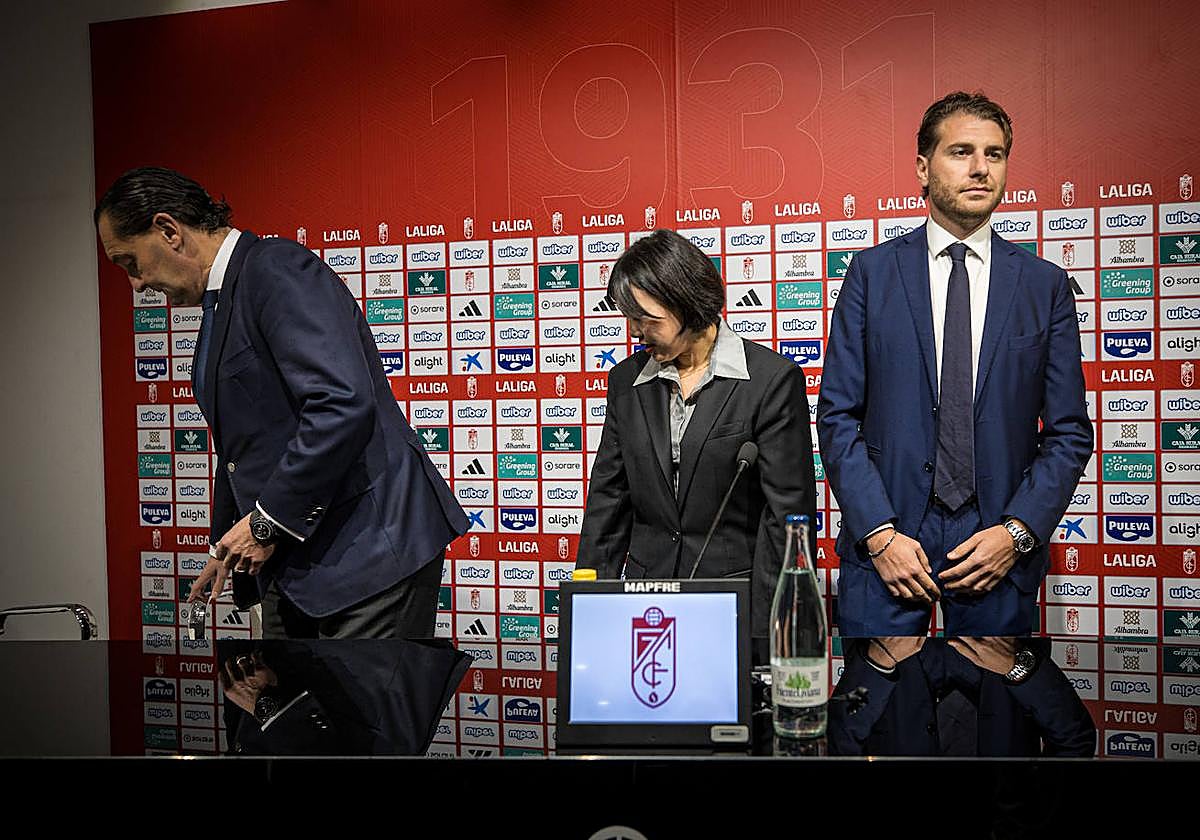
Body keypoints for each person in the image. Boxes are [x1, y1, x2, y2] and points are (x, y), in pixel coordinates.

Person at [96, 167, 468, 639]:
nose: (135, 283)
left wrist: (266, 523)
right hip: (302, 563)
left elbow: (340, 404)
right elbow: (244, 444)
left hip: (370, 554)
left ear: (169, 231)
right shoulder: (224, 298)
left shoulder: (275, 268)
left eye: (130, 262)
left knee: (362, 693)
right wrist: (225, 543)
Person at [818, 92, 1093, 636]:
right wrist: (878, 534)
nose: (980, 168)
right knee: (879, 693)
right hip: (890, 546)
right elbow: (837, 417)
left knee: (995, 693)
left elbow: (1068, 432)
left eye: (994, 154)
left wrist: (1016, 534)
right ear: (923, 168)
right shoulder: (871, 274)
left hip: (995, 549)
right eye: (961, 152)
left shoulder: (1044, 285)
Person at [577, 229, 817, 636]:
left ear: (686, 302)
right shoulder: (625, 382)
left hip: (734, 607)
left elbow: (786, 518)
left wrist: (767, 629)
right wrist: (588, 611)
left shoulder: (770, 381)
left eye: (646, 319)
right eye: (629, 318)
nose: (634, 331)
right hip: (646, 606)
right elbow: (608, 501)